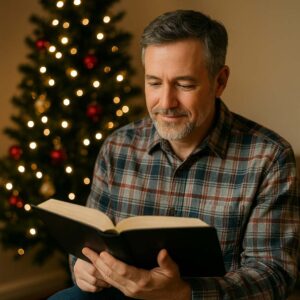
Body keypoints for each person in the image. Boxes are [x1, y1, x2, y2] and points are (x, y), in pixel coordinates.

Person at [49, 10, 299, 299]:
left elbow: (274, 274)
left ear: (220, 81)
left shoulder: (269, 157)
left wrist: (184, 293)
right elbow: (89, 241)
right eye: (154, 83)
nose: (165, 103)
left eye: (184, 84)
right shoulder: (118, 146)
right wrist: (82, 266)